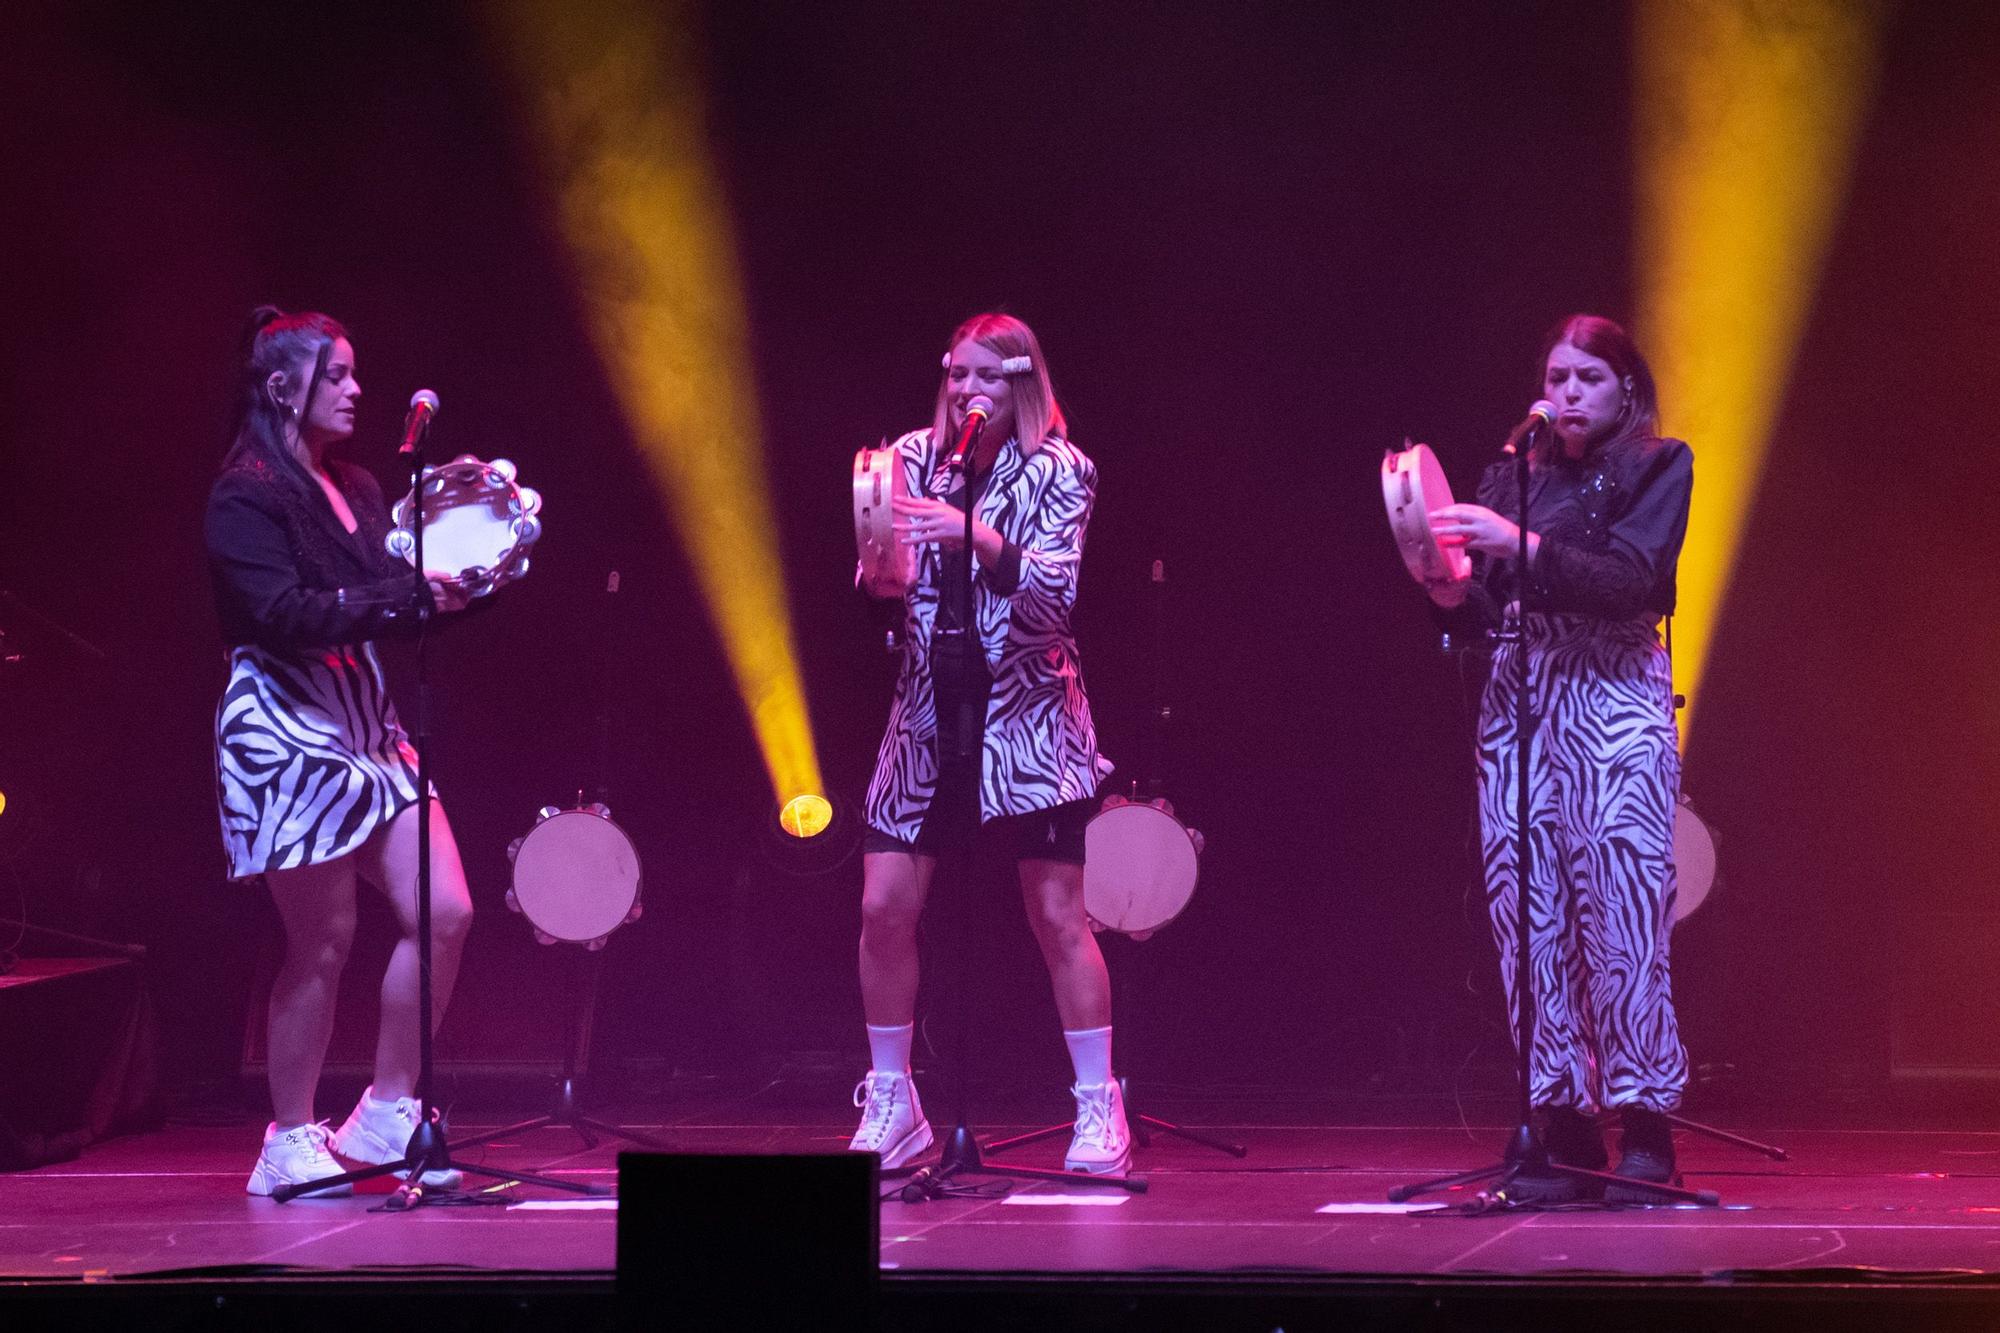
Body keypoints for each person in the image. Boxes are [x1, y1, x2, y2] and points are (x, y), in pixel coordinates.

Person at [851, 312, 1129, 1176]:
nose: (967, 390)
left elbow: (1054, 597)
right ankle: (893, 1097)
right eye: (956, 375)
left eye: (985, 377)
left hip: (1031, 712)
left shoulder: (1061, 470)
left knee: (1056, 914)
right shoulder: (910, 459)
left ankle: (1098, 1105)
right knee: (883, 904)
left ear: (1021, 384)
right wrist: (877, 573)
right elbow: (879, 578)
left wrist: (977, 534)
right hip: (929, 714)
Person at [206, 307, 475, 1196]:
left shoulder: (356, 485)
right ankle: (287, 1135)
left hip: (364, 717)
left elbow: (394, 584)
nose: (358, 389)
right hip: (285, 727)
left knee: (445, 910)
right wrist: (400, 600)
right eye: (340, 375)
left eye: (357, 374)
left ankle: (387, 1108)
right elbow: (282, 611)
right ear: (285, 387)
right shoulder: (245, 492)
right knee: (322, 939)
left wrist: (465, 557)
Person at [1425, 314, 1694, 1202]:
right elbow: (1474, 606)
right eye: (1558, 376)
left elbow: (1634, 583)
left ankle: (1646, 1124)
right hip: (1523, 700)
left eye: (1589, 377)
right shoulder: (1513, 475)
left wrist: (1522, 547)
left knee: (1620, 911)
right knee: (1528, 913)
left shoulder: (1659, 465)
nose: (1570, 392)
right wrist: (1445, 581)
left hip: (1613, 699)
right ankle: (1563, 1123)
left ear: (1626, 390)